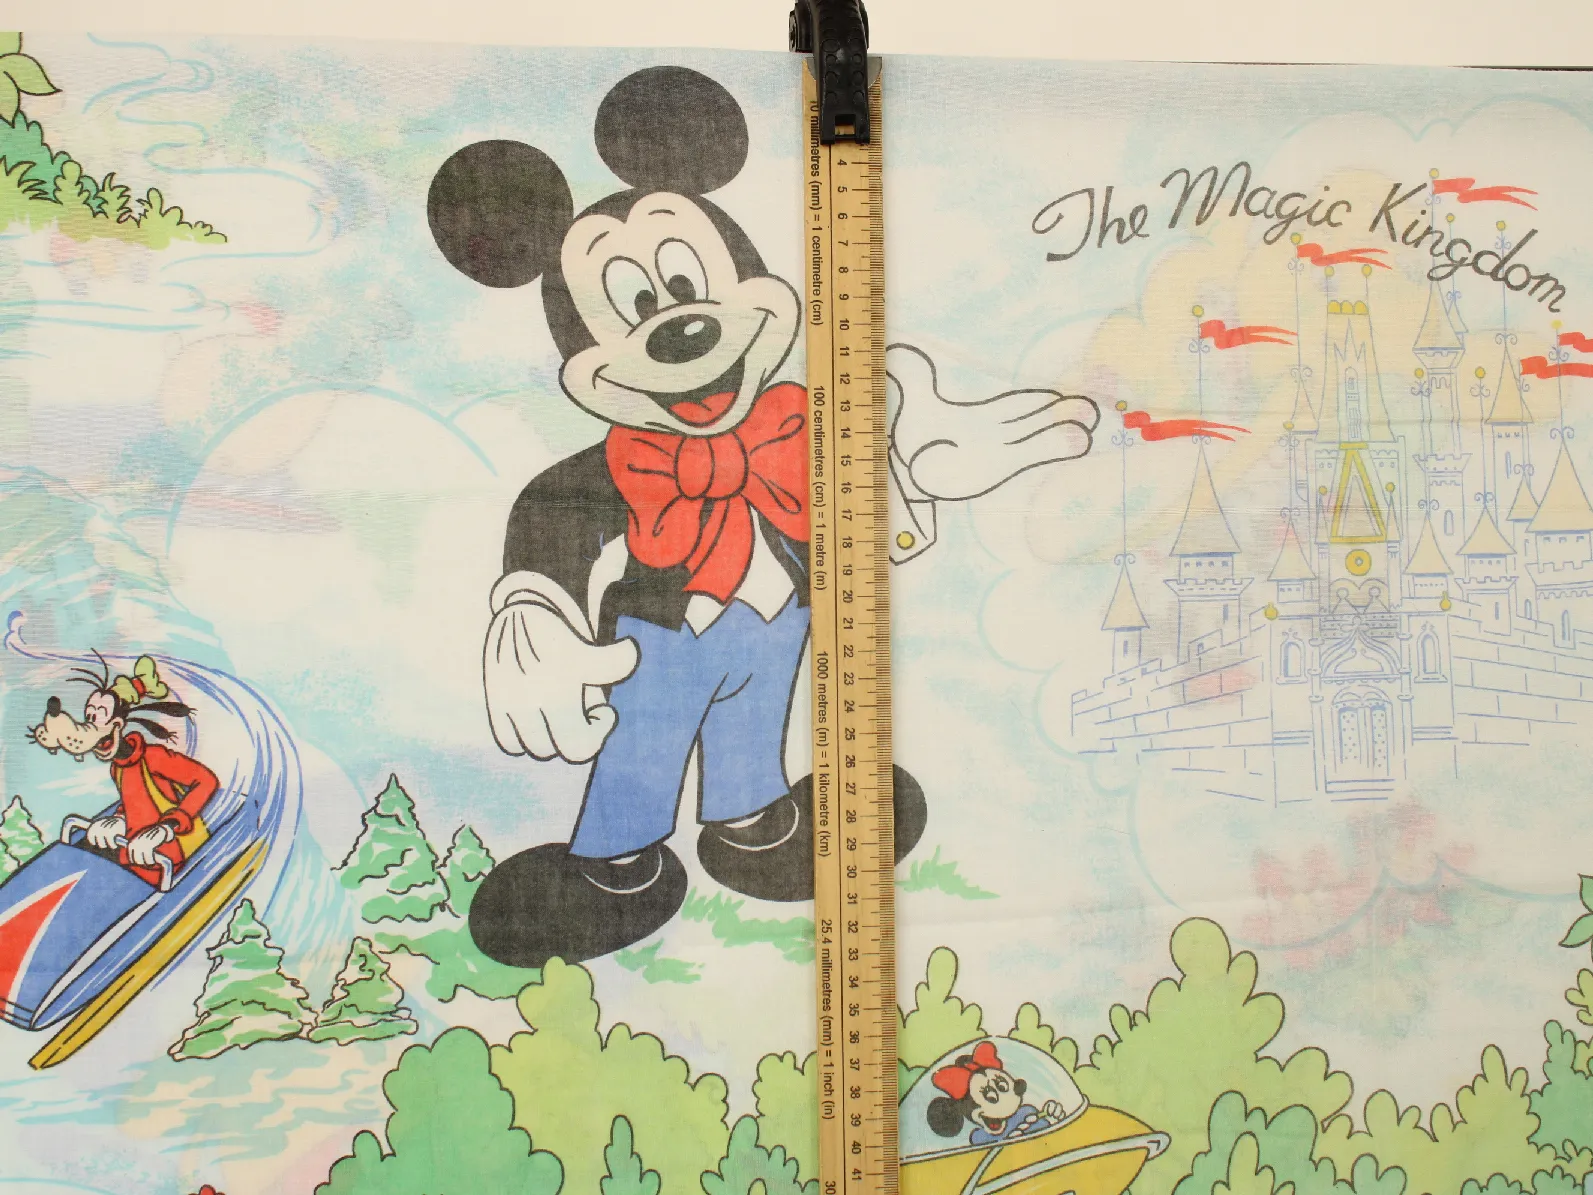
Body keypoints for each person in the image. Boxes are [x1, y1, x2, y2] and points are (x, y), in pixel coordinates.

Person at [28, 654, 217, 886]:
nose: (93, 720)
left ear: (118, 724)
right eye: (90, 714)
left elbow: (206, 781)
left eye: (101, 713)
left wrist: (165, 829)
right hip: (133, 857)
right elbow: (136, 801)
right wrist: (119, 819)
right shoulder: (117, 767)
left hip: (170, 858)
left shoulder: (154, 757)